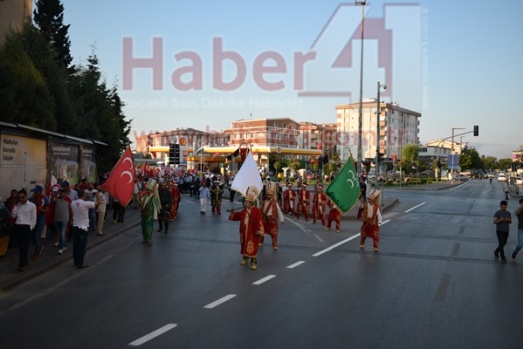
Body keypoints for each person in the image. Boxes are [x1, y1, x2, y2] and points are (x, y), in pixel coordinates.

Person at [228, 188, 265, 270]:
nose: (245, 203)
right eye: (245, 202)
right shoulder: (244, 210)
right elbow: (239, 216)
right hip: (243, 232)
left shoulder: (257, 211)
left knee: (252, 246)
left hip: (252, 233)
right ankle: (245, 258)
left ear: (251, 203)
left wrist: (260, 230)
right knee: (244, 244)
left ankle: (253, 262)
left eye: (246, 202)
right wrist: (233, 213)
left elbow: (260, 221)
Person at [11, 190, 37, 272]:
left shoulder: (32, 206)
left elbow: (34, 218)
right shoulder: (18, 205)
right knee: (20, 246)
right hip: (18, 226)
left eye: (22, 197)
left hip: (26, 227)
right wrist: (15, 206)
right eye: (19, 198)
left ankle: (21, 264)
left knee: (24, 246)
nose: (21, 199)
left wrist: (31, 227)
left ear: (26, 196)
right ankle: (24, 261)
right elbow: (13, 215)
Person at [71, 189, 97, 269]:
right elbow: (96, 203)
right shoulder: (85, 204)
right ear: (84, 195)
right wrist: (98, 195)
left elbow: (71, 210)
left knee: (75, 245)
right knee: (82, 246)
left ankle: (75, 261)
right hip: (83, 227)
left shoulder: (73, 203)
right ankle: (80, 263)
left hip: (75, 226)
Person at [260, 182, 284, 250]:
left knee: (274, 234)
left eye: (270, 195)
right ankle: (260, 241)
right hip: (264, 219)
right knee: (261, 231)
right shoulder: (263, 201)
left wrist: (281, 219)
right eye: (267, 195)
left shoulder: (274, 202)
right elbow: (259, 210)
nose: (268, 196)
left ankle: (275, 245)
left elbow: (279, 210)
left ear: (272, 195)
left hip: (272, 220)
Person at [29, 185, 49, 260]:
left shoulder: (44, 199)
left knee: (37, 235)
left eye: (36, 192)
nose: (35, 193)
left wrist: (41, 210)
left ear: (40, 192)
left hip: (40, 219)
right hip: (33, 219)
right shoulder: (32, 199)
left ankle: (37, 252)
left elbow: (47, 210)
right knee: (32, 236)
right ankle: (39, 245)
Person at [140, 179, 161, 246]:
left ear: (151, 190)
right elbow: (141, 202)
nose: (147, 191)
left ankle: (149, 240)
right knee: (143, 227)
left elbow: (155, 208)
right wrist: (139, 198)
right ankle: (145, 239)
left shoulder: (154, 198)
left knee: (149, 228)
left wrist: (155, 217)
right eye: (146, 190)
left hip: (150, 215)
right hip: (144, 214)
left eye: (148, 190)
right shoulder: (145, 196)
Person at [54, 188, 72, 254]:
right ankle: (64, 245)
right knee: (59, 233)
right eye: (60, 192)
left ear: (65, 193)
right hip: (57, 218)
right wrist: (54, 194)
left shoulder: (68, 200)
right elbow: (52, 200)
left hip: (65, 218)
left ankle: (61, 248)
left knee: (62, 233)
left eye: (62, 192)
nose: (61, 193)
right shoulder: (57, 199)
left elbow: (70, 209)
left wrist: (71, 218)